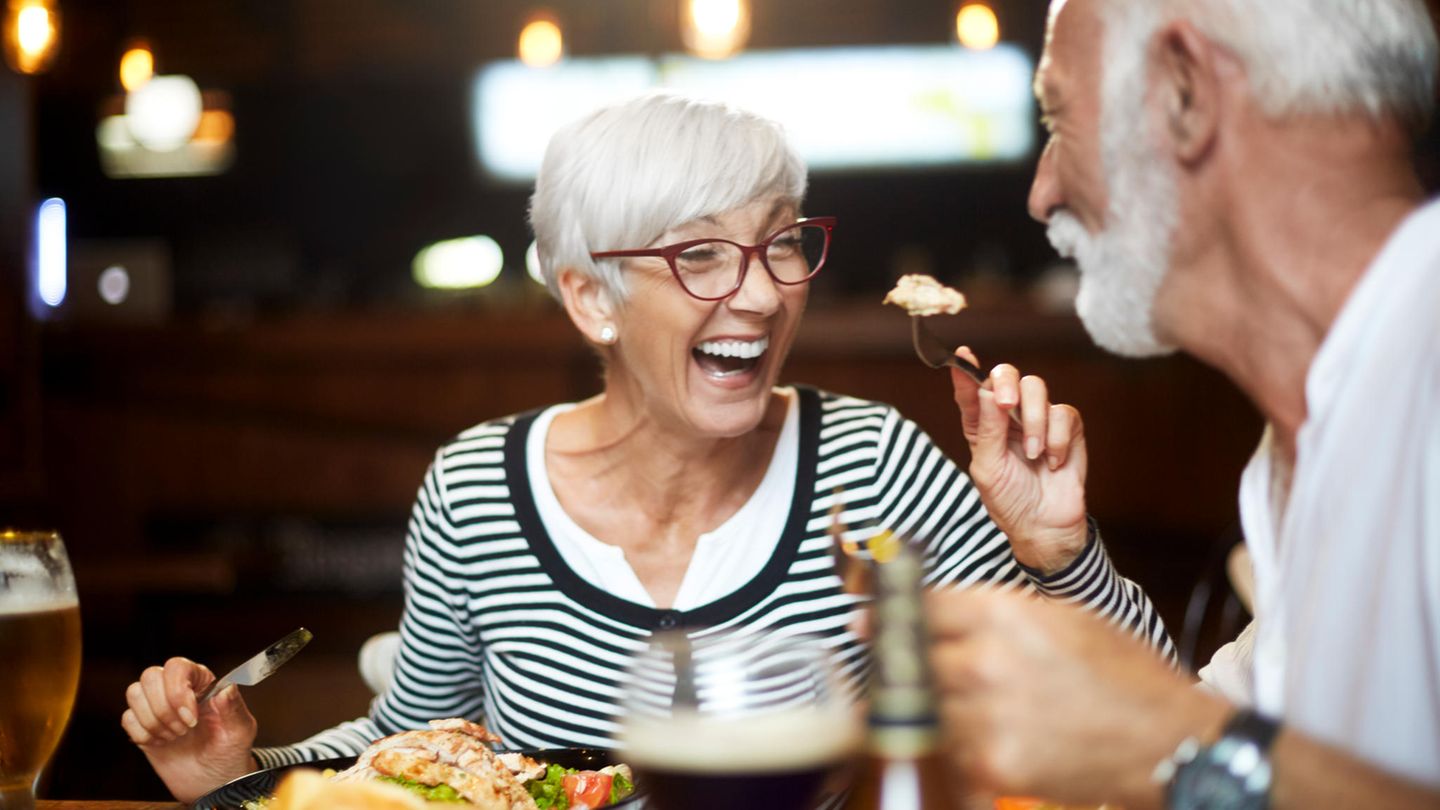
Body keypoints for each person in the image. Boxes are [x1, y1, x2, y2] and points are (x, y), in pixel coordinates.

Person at [119, 92, 1173, 803]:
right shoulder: (476, 490)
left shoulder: (875, 466)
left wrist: (1059, 555)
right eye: (701, 255)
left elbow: (1159, 728)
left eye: (781, 243)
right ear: (592, 297)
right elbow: (401, 755)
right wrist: (236, 770)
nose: (760, 296)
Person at [930, 0, 1440, 807]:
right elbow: (1221, 750)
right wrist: (1064, 562)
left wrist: (1163, 739)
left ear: (1185, 93)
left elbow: (1184, 745)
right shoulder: (1302, 438)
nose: (1041, 193)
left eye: (1059, 120)